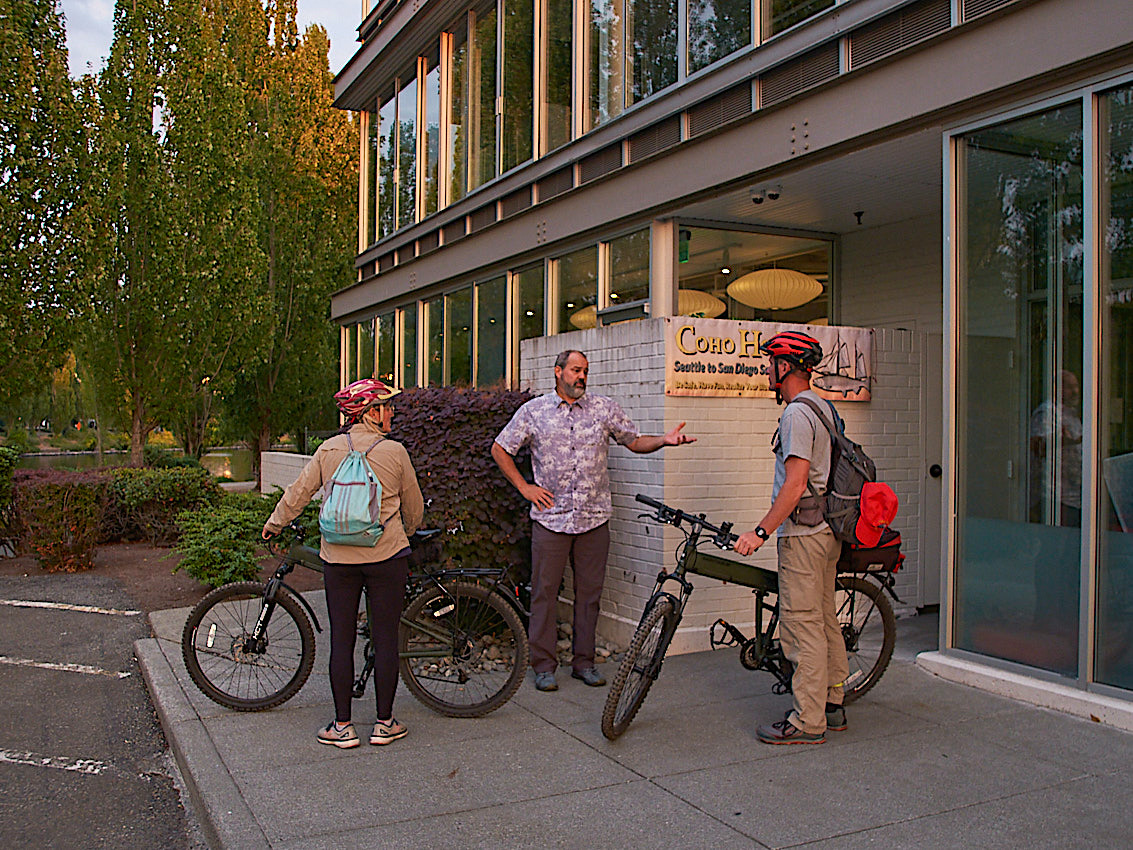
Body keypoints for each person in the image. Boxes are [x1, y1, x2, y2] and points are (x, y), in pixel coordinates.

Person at [491, 349, 696, 692]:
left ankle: (583, 663)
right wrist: (524, 487)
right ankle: (543, 665)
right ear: (558, 372)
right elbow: (501, 448)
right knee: (544, 592)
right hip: (551, 519)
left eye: (585, 371)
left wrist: (664, 440)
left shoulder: (603, 409)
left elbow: (633, 440)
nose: (581, 376)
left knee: (589, 594)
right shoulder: (534, 412)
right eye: (575, 370)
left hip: (594, 518)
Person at [262, 378, 423, 749]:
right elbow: (413, 506)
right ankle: (385, 724)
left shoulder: (328, 450)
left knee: (342, 640)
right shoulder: (395, 452)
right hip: (386, 557)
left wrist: (274, 524)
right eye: (385, 407)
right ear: (370, 412)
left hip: (338, 559)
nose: (391, 413)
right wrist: (406, 531)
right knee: (385, 640)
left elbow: (298, 493)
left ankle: (342, 727)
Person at [734, 330, 848, 745]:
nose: (767, 370)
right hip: (826, 533)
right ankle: (832, 705)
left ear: (785, 367)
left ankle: (807, 721)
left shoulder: (797, 414)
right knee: (824, 619)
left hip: (802, 534)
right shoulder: (824, 407)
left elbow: (797, 482)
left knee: (802, 628)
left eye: (771, 364)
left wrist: (760, 531)